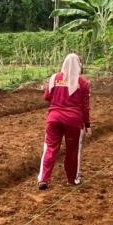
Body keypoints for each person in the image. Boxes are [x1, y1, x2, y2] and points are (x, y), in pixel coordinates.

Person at [37, 53, 91, 189]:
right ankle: (72, 180)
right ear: (79, 65)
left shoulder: (54, 78)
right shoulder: (82, 82)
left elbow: (47, 97)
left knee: (50, 148)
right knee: (72, 151)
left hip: (54, 119)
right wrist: (87, 125)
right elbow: (85, 106)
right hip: (73, 121)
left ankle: (43, 179)